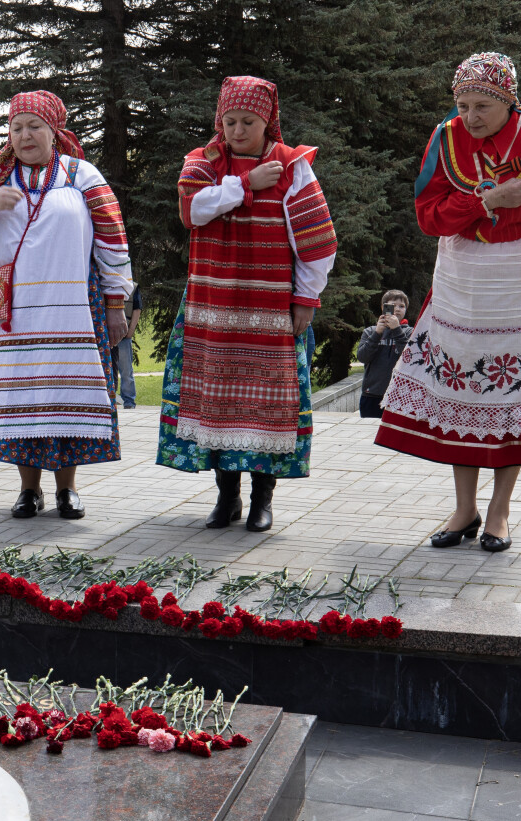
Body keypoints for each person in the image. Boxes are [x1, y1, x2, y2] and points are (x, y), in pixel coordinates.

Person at [375, 52, 521, 554]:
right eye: (463, 105)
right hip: (462, 278)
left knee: (512, 396)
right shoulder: (445, 138)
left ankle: (499, 510)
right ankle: (465, 506)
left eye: (481, 107)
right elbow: (428, 217)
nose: (469, 118)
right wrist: (489, 201)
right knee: (463, 394)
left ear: (508, 99)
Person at [156, 75, 337, 532]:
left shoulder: (292, 166)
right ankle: (226, 496)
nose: (238, 130)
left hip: (270, 308)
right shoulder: (204, 162)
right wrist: (246, 183)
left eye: (248, 121)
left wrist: (306, 299)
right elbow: (192, 211)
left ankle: (262, 499)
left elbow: (317, 240)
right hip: (213, 306)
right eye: (230, 120)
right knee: (217, 401)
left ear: (267, 121)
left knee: (268, 405)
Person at [0, 90, 133, 520]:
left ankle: (68, 489)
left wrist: (116, 301)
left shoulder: (81, 175)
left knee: (65, 393)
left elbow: (112, 240)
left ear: (55, 132)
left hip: (71, 306)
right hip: (11, 313)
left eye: (35, 126)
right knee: (19, 397)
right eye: (16, 128)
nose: (25, 135)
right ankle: (28, 490)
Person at [355, 290, 413, 418]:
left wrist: (397, 330)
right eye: (393, 305)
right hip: (372, 394)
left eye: (402, 306)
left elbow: (409, 358)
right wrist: (377, 334)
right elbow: (363, 357)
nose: (397, 309)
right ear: (383, 308)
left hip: (400, 395)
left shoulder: (410, 332)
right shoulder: (370, 331)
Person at [113, 287, 143, 409]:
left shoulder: (132, 286)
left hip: (124, 335)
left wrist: (131, 330)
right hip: (105, 333)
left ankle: (129, 401)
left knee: (125, 369)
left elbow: (137, 309)